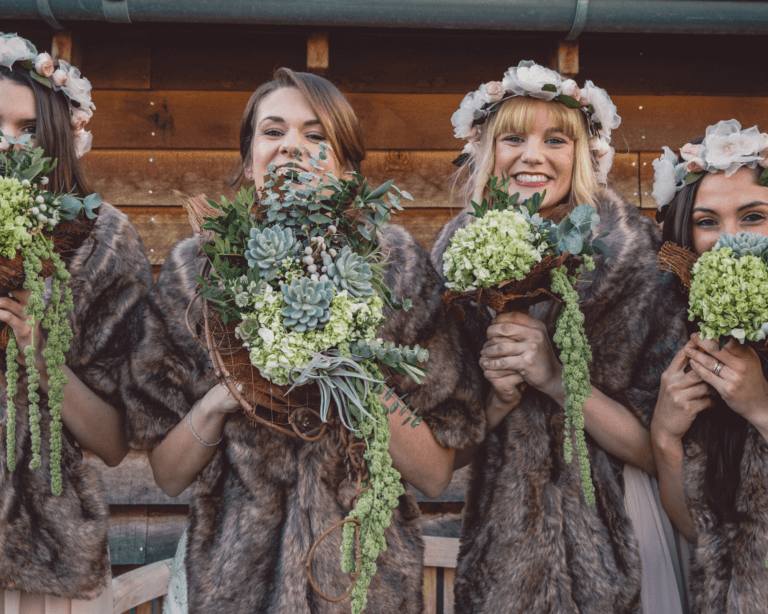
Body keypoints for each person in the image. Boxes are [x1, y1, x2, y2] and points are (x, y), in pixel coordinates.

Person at [120, 67, 485, 613]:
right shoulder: (193, 274)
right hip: (231, 583)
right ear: (249, 161)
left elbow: (433, 473)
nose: (292, 145)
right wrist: (225, 394)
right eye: (273, 131)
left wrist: (353, 373)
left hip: (364, 586)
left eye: (316, 136)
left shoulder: (397, 267)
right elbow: (169, 475)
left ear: (344, 168)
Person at [429, 61, 690, 613]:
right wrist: (496, 401)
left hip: (621, 530)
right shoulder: (450, 264)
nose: (532, 156)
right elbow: (444, 453)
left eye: (556, 139)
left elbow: (661, 449)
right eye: (512, 138)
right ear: (484, 150)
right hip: (503, 542)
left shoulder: (646, 262)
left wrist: (556, 378)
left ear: (585, 154)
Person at [0, 33, 153, 609]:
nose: (8, 146)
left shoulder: (101, 242)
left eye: (29, 130)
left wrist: (39, 354)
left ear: (63, 138)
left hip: (42, 563)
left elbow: (114, 442)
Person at [651, 119, 768, 613]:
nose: (729, 239)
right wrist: (664, 435)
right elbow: (697, 530)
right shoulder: (692, 340)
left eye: (753, 217)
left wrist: (760, 408)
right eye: (707, 222)